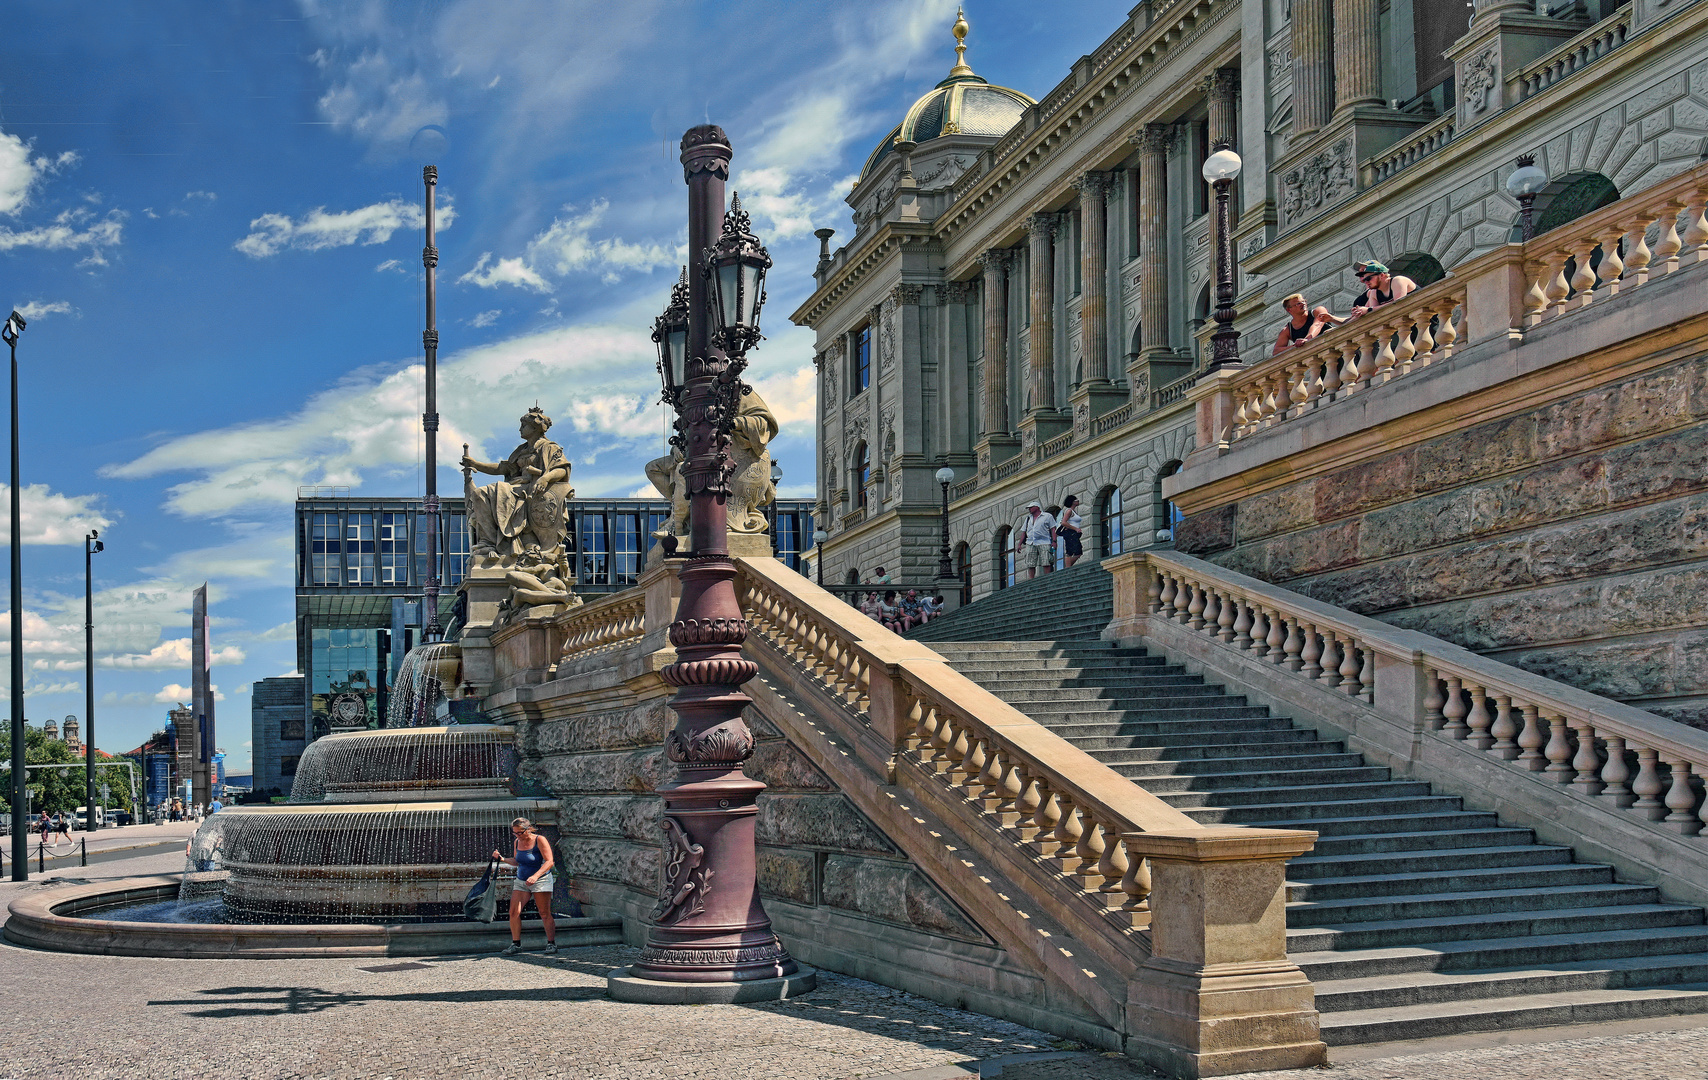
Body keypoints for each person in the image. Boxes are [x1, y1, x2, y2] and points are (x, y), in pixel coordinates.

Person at [493, 817, 557, 956]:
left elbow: (549, 861)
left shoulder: (539, 840)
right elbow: (517, 861)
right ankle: (516, 944)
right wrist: (502, 859)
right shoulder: (517, 842)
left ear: (528, 829)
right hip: (521, 881)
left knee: (544, 913)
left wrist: (536, 876)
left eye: (520, 833)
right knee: (513, 912)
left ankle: (551, 943)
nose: (517, 835)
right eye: (514, 833)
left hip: (541, 880)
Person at [1271, 293, 1341, 354]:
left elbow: (1317, 325)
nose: (1303, 304)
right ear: (1289, 309)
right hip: (1318, 360)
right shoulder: (1287, 330)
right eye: (1298, 303)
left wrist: (1307, 339)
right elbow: (1276, 351)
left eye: (1304, 301)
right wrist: (1295, 346)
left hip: (1337, 349)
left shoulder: (1318, 311)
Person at [1348, 261, 1415, 319]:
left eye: (1368, 279)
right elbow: (1374, 316)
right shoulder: (1374, 292)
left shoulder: (1398, 280)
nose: (1366, 282)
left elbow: (1399, 304)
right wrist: (1359, 312)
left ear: (1382, 275)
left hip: (1420, 316)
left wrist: (1368, 310)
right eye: (1364, 280)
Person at [1015, 501, 1057, 580]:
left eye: (1031, 507)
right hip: (1030, 542)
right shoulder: (1028, 518)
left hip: (1044, 541)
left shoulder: (1047, 516)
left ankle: (1047, 578)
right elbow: (1024, 532)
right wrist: (1019, 544)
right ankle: (1031, 579)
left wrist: (1054, 541)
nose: (1029, 509)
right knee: (1030, 562)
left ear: (1037, 507)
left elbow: (1053, 529)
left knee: (1046, 561)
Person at [1057, 495, 1085, 568]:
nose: (1078, 501)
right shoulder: (1069, 511)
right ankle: (1067, 568)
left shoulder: (1073, 511)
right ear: (1073, 502)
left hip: (1073, 533)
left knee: (1076, 551)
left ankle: (1068, 567)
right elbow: (1064, 522)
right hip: (1070, 533)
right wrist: (1075, 528)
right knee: (1072, 551)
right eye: (1076, 500)